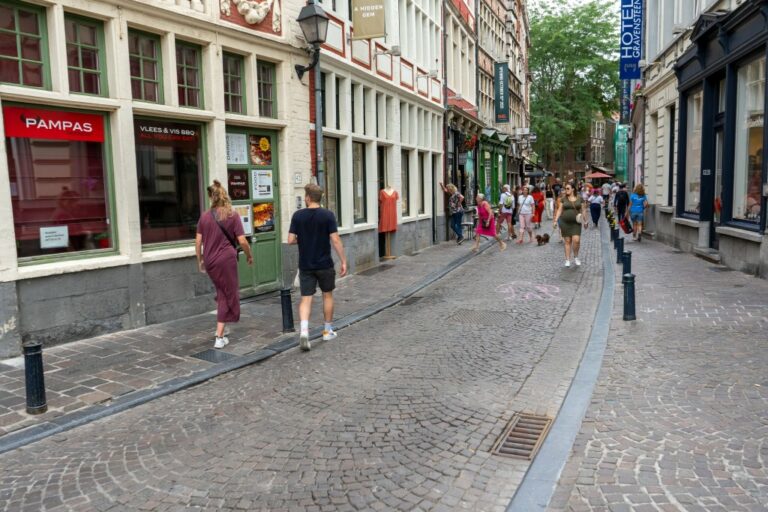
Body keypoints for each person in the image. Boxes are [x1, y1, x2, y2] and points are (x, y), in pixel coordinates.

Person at [288, 183, 348, 351]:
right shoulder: (328, 215)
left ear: (307, 197)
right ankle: (327, 331)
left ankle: (304, 332)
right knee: (327, 296)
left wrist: (304, 239)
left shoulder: (297, 216)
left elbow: (291, 240)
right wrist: (343, 260)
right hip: (324, 264)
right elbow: (335, 240)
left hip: (306, 264)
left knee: (306, 298)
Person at [196, 180, 253, 349]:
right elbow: (242, 241)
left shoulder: (205, 216)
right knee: (227, 293)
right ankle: (219, 336)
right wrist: (249, 256)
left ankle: (222, 328)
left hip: (210, 260)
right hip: (226, 260)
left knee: (222, 291)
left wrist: (200, 260)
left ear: (211, 198)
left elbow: (198, 242)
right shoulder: (232, 215)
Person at [553, 182, 587, 268]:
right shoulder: (563, 199)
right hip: (565, 223)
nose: (565, 190)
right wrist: (555, 220)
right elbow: (559, 210)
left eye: (567, 188)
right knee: (567, 241)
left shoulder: (580, 199)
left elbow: (583, 210)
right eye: (565, 189)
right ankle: (567, 259)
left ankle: (576, 256)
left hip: (576, 223)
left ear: (573, 189)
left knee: (576, 240)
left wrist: (585, 221)